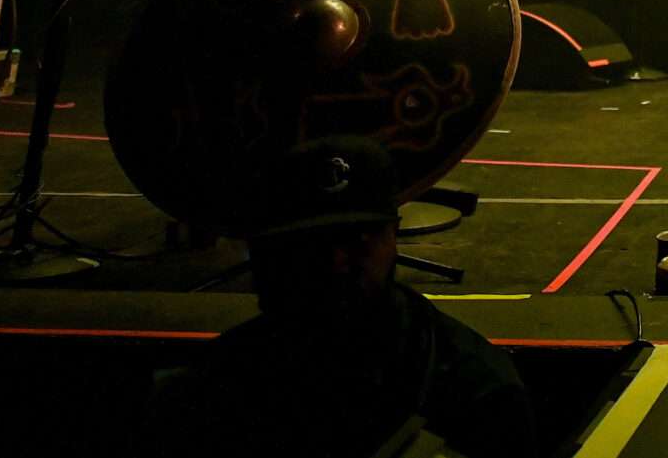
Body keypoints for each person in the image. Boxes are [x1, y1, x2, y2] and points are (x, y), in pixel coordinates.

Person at [145, 137, 536, 457]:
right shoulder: (469, 381)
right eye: (310, 246)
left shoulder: (217, 387)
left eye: (354, 241)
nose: (335, 262)